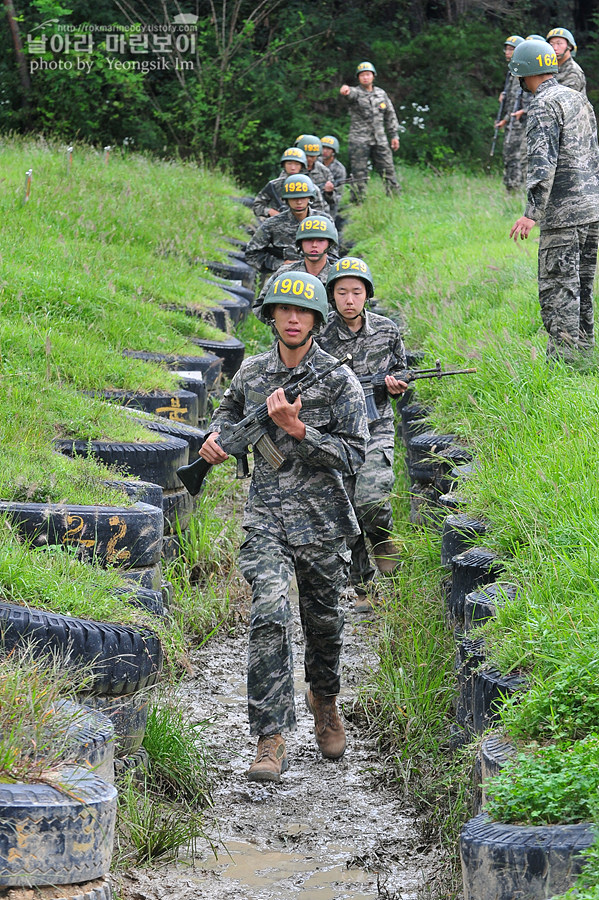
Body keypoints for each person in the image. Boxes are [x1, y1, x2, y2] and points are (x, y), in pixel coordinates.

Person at [199, 272, 369, 781]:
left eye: (303, 313)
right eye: (283, 311)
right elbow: (226, 417)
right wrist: (213, 440)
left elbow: (355, 454)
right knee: (269, 613)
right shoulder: (252, 374)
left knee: (324, 627)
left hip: (323, 523)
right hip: (266, 519)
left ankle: (325, 700)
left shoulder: (339, 380)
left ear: (317, 319)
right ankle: (269, 737)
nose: (293, 320)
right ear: (271, 316)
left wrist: (300, 431)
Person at [317, 257, 408, 608]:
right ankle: (365, 590)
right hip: (336, 433)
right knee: (346, 511)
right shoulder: (320, 334)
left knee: (371, 501)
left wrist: (396, 383)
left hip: (377, 427)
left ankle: (391, 568)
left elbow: (402, 369)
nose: (349, 299)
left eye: (357, 292)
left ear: (367, 295)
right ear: (332, 296)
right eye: (342, 292)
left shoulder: (387, 330)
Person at [509, 39, 599, 361]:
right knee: (583, 290)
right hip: (592, 212)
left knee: (559, 293)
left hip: (562, 217)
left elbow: (541, 163)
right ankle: (585, 356)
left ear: (523, 73)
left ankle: (563, 364)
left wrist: (531, 212)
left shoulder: (543, 105)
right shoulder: (578, 98)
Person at [253, 215, 339, 320]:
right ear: (300, 244)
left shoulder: (338, 275)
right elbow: (260, 306)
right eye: (308, 240)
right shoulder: (285, 273)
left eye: (320, 240)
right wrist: (281, 325)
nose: (314, 245)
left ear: (329, 244)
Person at [245, 175, 329, 279]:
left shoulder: (324, 221)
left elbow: (333, 255)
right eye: (294, 198)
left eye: (302, 197)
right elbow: (251, 254)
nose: (298, 202)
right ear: (286, 200)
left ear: (310, 198)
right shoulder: (273, 224)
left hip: (318, 278)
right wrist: (280, 264)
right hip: (283, 279)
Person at [339, 61, 401, 201]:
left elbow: (390, 115)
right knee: (359, 173)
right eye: (362, 75)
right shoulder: (356, 93)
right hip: (359, 140)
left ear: (373, 76)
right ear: (359, 78)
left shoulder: (381, 93)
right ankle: (357, 202)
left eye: (368, 74)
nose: (365, 77)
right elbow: (349, 94)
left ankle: (395, 199)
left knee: (388, 170)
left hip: (380, 139)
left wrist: (394, 135)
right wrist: (345, 90)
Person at [252, 147, 327, 221]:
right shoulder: (274, 185)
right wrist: (270, 212)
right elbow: (257, 206)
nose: (293, 167)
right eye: (289, 164)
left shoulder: (311, 188)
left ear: (302, 166)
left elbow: (320, 213)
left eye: (297, 164)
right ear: (284, 165)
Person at [495, 35, 526, 192]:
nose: (508, 52)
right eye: (506, 49)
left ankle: (515, 187)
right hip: (512, 120)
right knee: (508, 154)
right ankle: (510, 187)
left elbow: (522, 100)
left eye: (511, 49)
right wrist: (505, 120)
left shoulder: (523, 72)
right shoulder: (511, 72)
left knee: (516, 155)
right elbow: (511, 101)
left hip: (521, 122)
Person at [295, 135, 338, 218]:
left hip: (319, 214)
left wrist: (329, 192)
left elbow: (333, 201)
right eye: (306, 156)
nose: (309, 159)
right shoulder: (294, 169)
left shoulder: (324, 171)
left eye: (312, 156)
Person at [546, 27, 586, 95]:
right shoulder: (549, 67)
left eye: (559, 43)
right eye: (551, 44)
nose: (555, 48)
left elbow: (565, 101)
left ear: (569, 46)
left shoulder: (573, 72)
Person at [320, 135, 347, 222]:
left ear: (333, 151)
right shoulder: (315, 163)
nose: (324, 151)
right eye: (323, 148)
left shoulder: (339, 169)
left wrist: (328, 192)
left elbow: (338, 195)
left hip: (330, 203)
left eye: (328, 149)